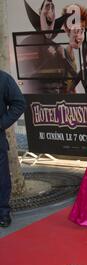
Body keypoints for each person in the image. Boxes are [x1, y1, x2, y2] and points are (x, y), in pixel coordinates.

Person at [0, 70, 26, 228]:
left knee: (1, 178)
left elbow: (19, 103)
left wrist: (1, 124)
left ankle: (3, 212)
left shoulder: (3, 79)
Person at [58, 4, 87, 93]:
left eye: (82, 30)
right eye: (75, 31)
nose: (79, 36)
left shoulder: (86, 52)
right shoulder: (62, 52)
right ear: (67, 31)